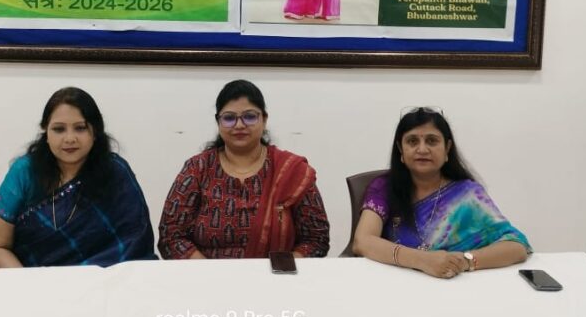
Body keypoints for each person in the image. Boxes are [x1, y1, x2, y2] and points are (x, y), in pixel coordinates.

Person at [158, 80, 330, 259]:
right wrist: (208, 270)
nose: (239, 125)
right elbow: (171, 236)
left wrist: (281, 269)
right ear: (218, 122)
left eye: (249, 116)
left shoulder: (292, 171)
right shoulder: (198, 168)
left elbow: (316, 240)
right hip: (206, 273)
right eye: (229, 118)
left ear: (264, 119)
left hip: (275, 273)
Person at [0, 87, 156, 267]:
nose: (70, 138)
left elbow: (133, 244)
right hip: (32, 278)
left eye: (80, 128)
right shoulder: (25, 172)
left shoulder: (116, 173)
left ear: (95, 132)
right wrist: (30, 281)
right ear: (46, 132)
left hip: (106, 279)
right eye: (59, 129)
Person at [352, 108, 530, 278]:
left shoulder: (467, 195)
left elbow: (516, 246)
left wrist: (463, 262)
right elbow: (363, 241)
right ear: (401, 149)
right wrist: (423, 260)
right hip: (396, 282)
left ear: (447, 148)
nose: (422, 149)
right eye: (412, 141)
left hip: (455, 282)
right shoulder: (383, 187)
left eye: (432, 141)